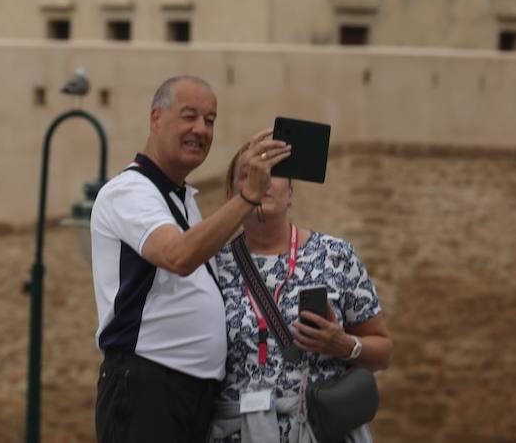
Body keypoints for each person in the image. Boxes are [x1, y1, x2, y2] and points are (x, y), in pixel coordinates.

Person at [91, 75, 291, 443]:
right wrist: (248, 195)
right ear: (155, 118)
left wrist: (242, 185)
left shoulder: (181, 198)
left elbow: (200, 242)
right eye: (189, 116)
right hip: (148, 389)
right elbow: (178, 255)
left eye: (210, 120)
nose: (201, 129)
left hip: (188, 396)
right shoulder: (129, 191)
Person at [208, 145, 393, 443]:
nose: (263, 179)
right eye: (249, 173)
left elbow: (383, 352)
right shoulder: (211, 266)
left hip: (321, 432)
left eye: (274, 172)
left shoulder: (336, 255)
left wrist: (343, 345)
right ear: (231, 196)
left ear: (290, 193)